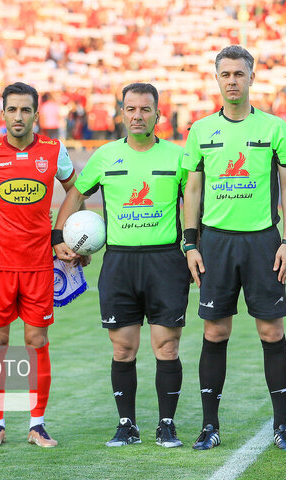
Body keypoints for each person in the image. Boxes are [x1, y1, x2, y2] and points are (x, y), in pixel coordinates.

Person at [55, 82, 190, 448]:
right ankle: (127, 425)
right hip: (120, 263)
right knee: (123, 349)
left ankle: (166, 424)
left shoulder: (178, 157)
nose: (137, 116)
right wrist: (58, 237)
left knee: (167, 348)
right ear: (122, 113)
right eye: (131, 109)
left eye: (145, 109)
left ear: (157, 114)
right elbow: (76, 194)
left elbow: (194, 207)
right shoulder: (104, 156)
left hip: (165, 261)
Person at [182, 45, 286, 451]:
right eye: (225, 74)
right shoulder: (200, 131)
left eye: (239, 73)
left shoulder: (274, 129)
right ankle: (209, 426)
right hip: (215, 242)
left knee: (272, 330)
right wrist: (190, 243)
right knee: (215, 331)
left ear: (252, 77)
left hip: (263, 241)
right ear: (217, 78)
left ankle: (282, 426)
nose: (232, 80)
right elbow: (192, 189)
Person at [0, 82, 76, 448]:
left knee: (37, 340)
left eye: (26, 110)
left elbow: (75, 190)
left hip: (40, 263)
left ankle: (37, 424)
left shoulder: (55, 150)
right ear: (3, 113)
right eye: (13, 110)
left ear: (36, 115)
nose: (19, 116)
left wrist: (62, 235)